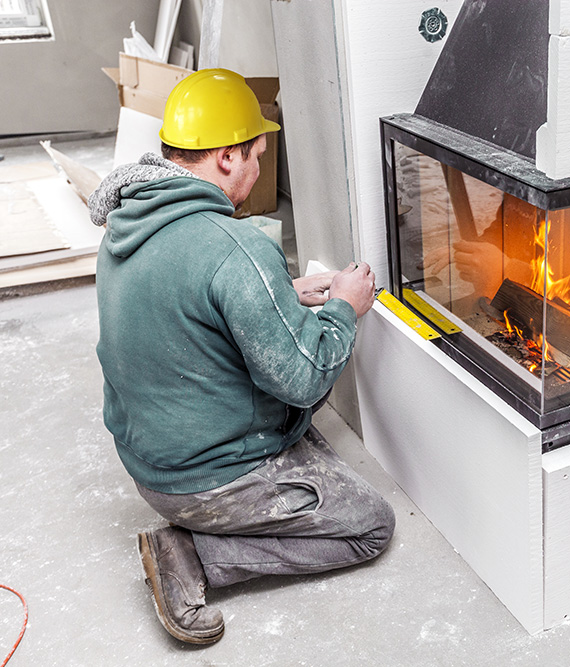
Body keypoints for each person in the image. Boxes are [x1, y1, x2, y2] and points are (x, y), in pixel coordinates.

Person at [87, 69, 395, 645]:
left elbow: (189, 303)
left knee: (305, 424)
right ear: (228, 158)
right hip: (202, 484)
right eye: (256, 153)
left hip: (151, 458)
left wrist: (280, 291)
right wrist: (346, 308)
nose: (260, 167)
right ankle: (195, 554)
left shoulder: (126, 227)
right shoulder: (235, 246)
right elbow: (303, 380)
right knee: (370, 526)